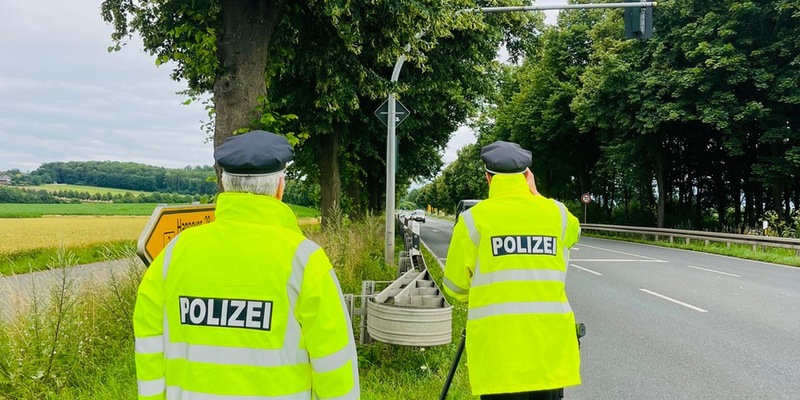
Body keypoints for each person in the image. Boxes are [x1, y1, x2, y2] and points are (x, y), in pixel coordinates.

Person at [133, 130, 360, 400]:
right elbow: (334, 364)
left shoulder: (174, 253)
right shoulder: (305, 260)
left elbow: (148, 343)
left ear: (225, 185)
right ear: (280, 188)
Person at [442, 140, 581, 400]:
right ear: (528, 176)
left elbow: (454, 287)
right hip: (549, 351)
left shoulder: (472, 220)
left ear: (488, 178)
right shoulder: (558, 214)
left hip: (500, 355)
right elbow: (575, 233)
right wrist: (536, 195)